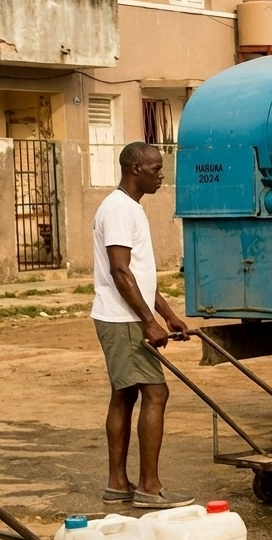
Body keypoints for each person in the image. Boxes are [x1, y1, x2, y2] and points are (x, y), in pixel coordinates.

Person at [92, 142, 193, 509]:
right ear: (135, 168)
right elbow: (120, 271)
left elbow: (137, 274)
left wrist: (167, 314)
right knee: (156, 393)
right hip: (124, 320)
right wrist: (149, 322)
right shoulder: (119, 209)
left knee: (125, 394)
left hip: (125, 315)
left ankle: (118, 484)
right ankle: (150, 487)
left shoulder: (129, 207)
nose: (161, 175)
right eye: (155, 169)